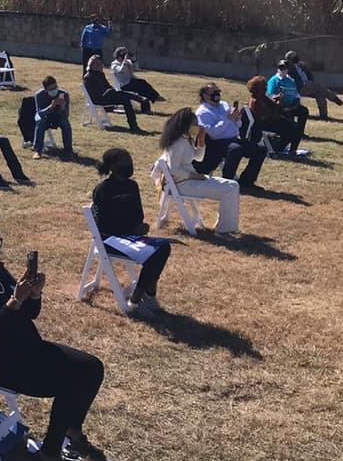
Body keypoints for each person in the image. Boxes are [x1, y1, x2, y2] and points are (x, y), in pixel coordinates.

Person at [0, 223, 104, 461]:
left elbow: (29, 315)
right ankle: (49, 455)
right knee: (71, 381)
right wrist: (14, 301)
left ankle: (72, 428)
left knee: (92, 367)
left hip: (25, 348)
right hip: (0, 362)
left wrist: (34, 295)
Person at [92, 147, 171, 317]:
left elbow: (138, 215)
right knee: (153, 255)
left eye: (130, 160)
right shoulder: (102, 190)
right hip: (110, 241)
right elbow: (100, 227)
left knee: (163, 248)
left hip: (131, 237)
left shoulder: (132, 186)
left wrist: (140, 227)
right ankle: (136, 300)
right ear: (113, 166)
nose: (129, 164)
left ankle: (148, 295)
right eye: (125, 161)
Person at [160, 108, 241, 235]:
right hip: (183, 183)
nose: (197, 127)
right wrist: (194, 176)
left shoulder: (186, 139)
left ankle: (228, 226)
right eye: (195, 125)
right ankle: (224, 230)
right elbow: (173, 169)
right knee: (228, 189)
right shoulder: (176, 143)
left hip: (191, 179)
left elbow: (198, 157)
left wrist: (201, 141)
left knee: (233, 185)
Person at [194, 83, 266, 189]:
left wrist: (237, 118)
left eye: (218, 91)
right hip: (216, 143)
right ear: (205, 96)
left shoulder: (224, 105)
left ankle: (247, 181)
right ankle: (227, 181)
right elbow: (213, 133)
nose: (217, 94)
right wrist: (227, 119)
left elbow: (238, 125)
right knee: (235, 149)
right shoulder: (202, 112)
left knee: (261, 149)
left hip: (234, 138)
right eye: (213, 92)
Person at [83, 54, 144, 133]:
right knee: (112, 92)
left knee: (125, 100)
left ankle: (133, 126)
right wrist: (110, 91)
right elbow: (95, 93)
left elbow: (108, 86)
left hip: (108, 96)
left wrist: (111, 90)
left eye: (100, 64)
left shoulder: (101, 74)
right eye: (96, 63)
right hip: (99, 99)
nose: (98, 65)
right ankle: (138, 98)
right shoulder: (88, 76)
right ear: (91, 64)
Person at [19, 75, 74, 160]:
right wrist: (51, 106)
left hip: (57, 116)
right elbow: (39, 113)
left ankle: (68, 150)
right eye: (51, 89)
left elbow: (66, 116)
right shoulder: (39, 95)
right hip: (45, 116)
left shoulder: (63, 94)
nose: (54, 91)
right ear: (45, 89)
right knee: (40, 122)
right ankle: (38, 150)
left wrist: (63, 107)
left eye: (55, 87)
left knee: (65, 123)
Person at [246, 75, 302, 155]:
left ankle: (282, 148)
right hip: (266, 124)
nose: (266, 88)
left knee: (295, 127)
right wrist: (275, 112)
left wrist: (279, 99)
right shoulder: (255, 101)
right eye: (264, 87)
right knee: (294, 130)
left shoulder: (262, 97)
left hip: (273, 120)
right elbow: (263, 116)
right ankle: (283, 149)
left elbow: (275, 106)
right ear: (257, 88)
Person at [284, 50, 343, 120]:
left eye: (295, 55)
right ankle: (337, 100)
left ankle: (324, 116)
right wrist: (304, 83)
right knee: (319, 88)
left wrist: (310, 82)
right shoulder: (288, 68)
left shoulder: (302, 65)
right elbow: (291, 80)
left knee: (320, 93)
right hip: (299, 87)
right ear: (289, 59)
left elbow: (310, 75)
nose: (296, 57)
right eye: (293, 56)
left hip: (309, 85)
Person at [266, 61, 310, 136]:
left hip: (292, 105)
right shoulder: (274, 80)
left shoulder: (291, 81)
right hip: (280, 106)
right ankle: (292, 131)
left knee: (304, 111)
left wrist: (296, 104)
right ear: (278, 69)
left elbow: (296, 94)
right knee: (288, 112)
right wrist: (279, 99)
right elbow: (270, 96)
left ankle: (299, 132)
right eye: (280, 68)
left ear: (288, 69)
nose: (282, 70)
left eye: (284, 68)